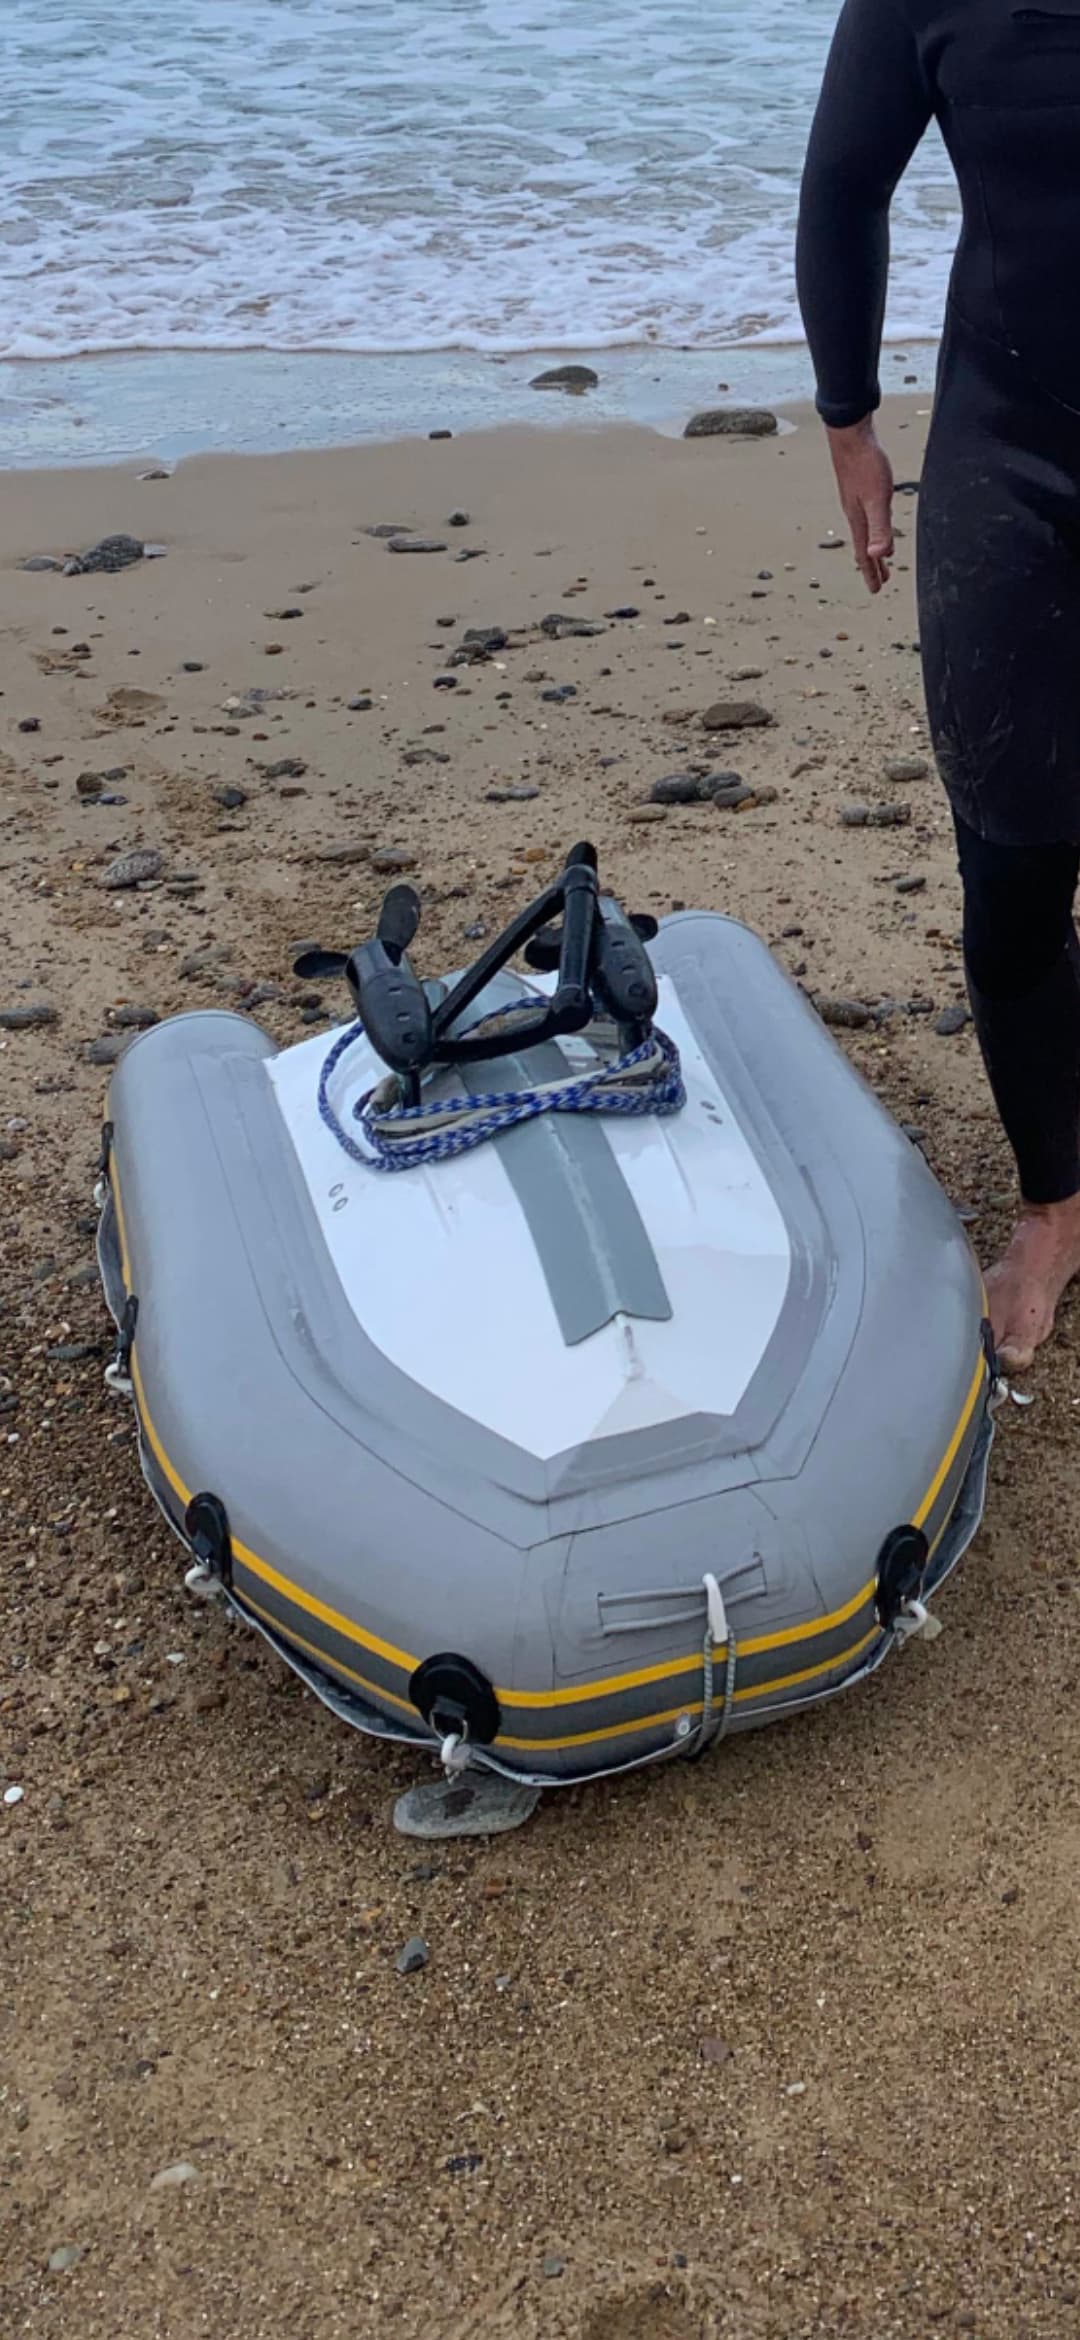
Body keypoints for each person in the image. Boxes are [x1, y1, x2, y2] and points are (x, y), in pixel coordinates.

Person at [796, 0, 1080, 1371]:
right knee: (1014, 859)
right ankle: (1054, 1202)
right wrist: (846, 416)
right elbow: (847, 180)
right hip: (1015, 456)